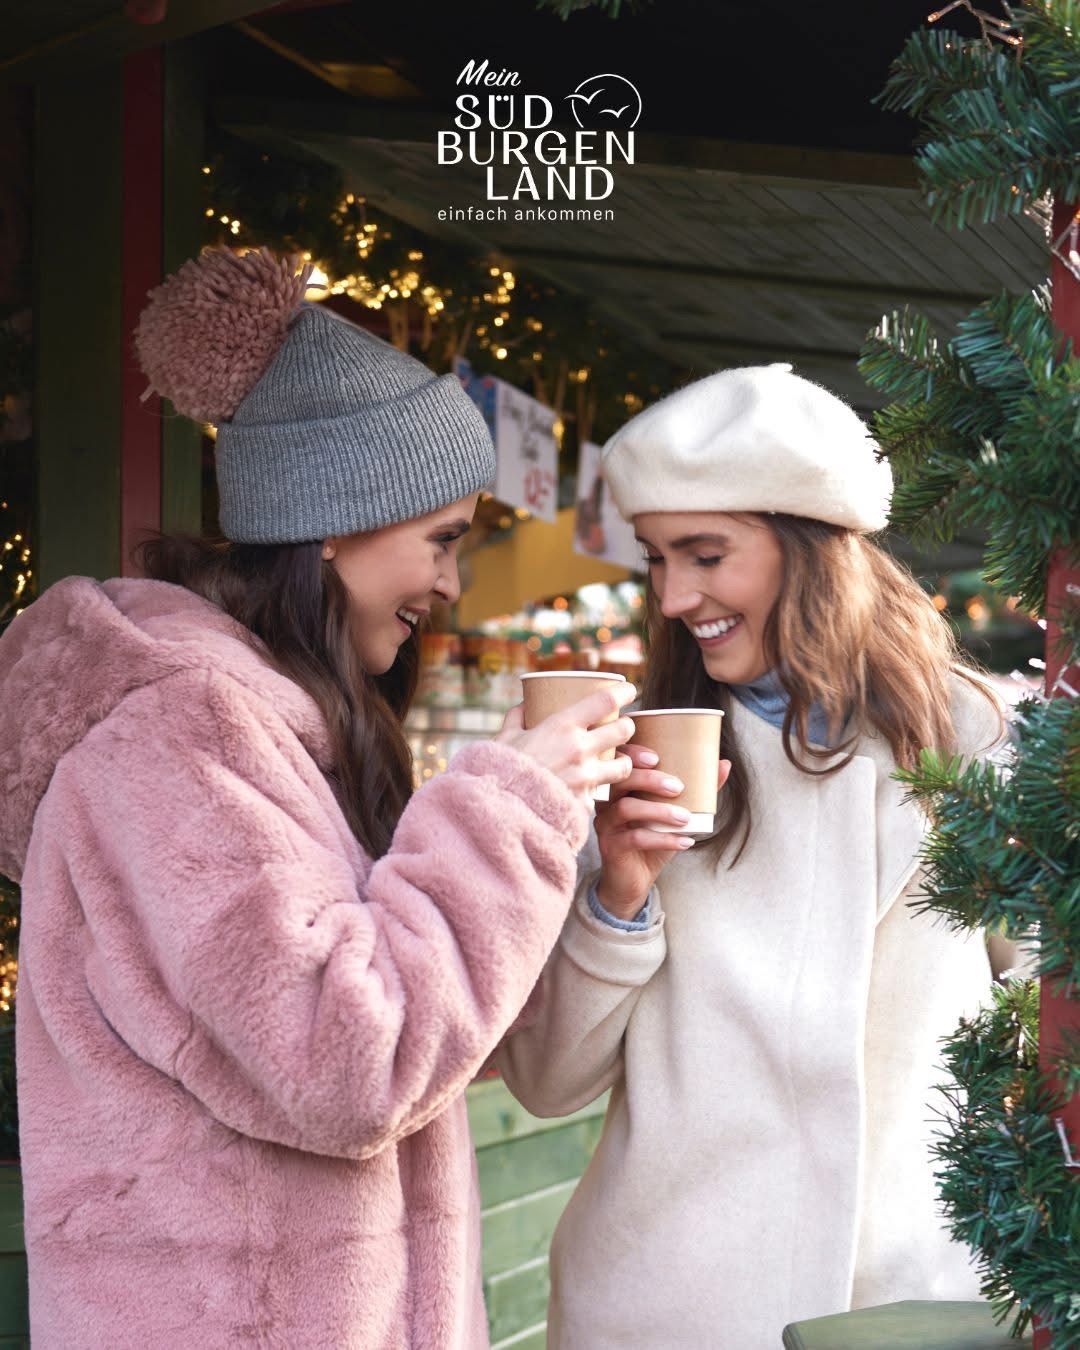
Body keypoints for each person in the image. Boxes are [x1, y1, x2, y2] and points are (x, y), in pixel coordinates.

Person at [0, 248, 636, 1349]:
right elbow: (349, 1058)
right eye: (441, 540)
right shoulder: (175, 742)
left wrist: (611, 877)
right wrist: (515, 807)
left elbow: (428, 1038)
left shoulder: (271, 736)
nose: (450, 584)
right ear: (335, 521)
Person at [498, 363, 1023, 1348]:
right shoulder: (642, 755)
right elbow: (546, 1082)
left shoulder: (979, 736)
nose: (674, 594)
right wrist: (620, 890)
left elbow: (1047, 1008)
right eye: (656, 560)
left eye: (704, 553)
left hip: (911, 1307)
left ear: (809, 549)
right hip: (667, 1306)